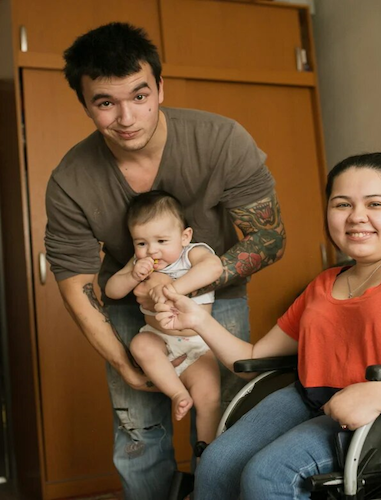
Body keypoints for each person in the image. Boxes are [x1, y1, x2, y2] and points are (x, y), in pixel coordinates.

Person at [154, 152, 381, 499]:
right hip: (314, 400)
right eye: (342, 204)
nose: (356, 216)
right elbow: (250, 360)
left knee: (269, 474)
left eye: (375, 204)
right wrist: (198, 318)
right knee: (216, 462)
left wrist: (378, 394)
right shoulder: (323, 284)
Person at [44, 22, 285, 500]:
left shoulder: (220, 140)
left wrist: (199, 279)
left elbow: (269, 236)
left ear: (159, 87)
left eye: (139, 95)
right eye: (105, 103)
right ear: (86, 105)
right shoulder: (71, 179)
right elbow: (76, 283)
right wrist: (124, 362)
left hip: (218, 300)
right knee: (139, 437)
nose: (127, 117)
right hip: (130, 314)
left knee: (221, 421)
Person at [105, 190, 224, 451]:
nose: (152, 251)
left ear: (185, 236)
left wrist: (172, 289)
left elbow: (214, 267)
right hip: (160, 339)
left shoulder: (191, 253)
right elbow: (112, 290)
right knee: (140, 345)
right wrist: (132, 276)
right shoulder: (139, 262)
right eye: (142, 243)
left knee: (209, 399)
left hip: (198, 343)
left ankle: (207, 455)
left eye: (161, 240)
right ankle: (177, 393)